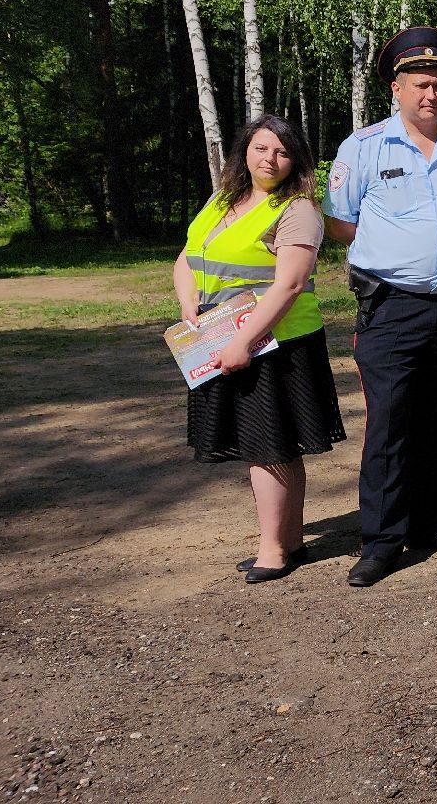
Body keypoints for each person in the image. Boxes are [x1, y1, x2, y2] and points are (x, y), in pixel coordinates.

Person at [323, 26, 437, 587]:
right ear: (397, 89)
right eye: (421, 85)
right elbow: (340, 224)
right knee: (389, 424)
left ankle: (428, 520)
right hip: (390, 309)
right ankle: (381, 539)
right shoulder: (362, 148)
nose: (432, 95)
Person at [173, 114, 346, 584]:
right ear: (244, 151)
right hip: (219, 337)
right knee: (272, 446)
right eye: (261, 148)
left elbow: (289, 284)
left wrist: (242, 342)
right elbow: (188, 257)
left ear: (297, 160)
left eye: (283, 152)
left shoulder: (298, 209)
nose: (270, 159)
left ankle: (273, 549)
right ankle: (289, 541)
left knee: (269, 447)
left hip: (277, 344)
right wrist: (189, 302)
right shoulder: (221, 200)